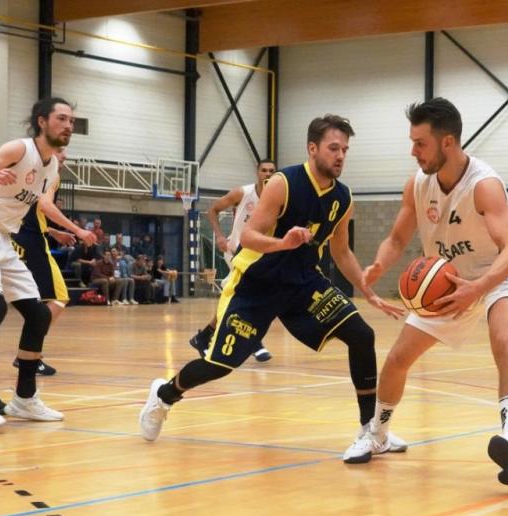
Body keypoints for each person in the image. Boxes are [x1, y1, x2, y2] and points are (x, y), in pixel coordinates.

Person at [139, 115, 407, 458]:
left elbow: (341, 252)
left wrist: (369, 292)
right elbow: (249, 236)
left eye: (345, 150)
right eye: (333, 148)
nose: (340, 155)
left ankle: (371, 431)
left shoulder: (343, 197)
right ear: (313, 148)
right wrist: (284, 243)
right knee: (219, 364)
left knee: (362, 335)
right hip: (256, 284)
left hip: (303, 284)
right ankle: (163, 396)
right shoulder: (284, 183)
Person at [344, 98, 508, 485]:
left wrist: (477, 288)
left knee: (503, 338)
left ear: (447, 142)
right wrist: (379, 264)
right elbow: (397, 238)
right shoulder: (417, 184)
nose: (413, 151)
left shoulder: (484, 185)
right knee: (397, 359)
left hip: (495, 275)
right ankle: (377, 434)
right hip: (445, 283)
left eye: (420, 143)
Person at [0, 96, 95, 431]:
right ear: (42, 121)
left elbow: (43, 204)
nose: (68, 126)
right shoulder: (19, 148)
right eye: (62, 119)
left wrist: (68, 230)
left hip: (4, 237)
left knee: (39, 313)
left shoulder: (52, 166)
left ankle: (25, 398)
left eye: (71, 121)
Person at [189, 159, 277, 363]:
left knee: (237, 298)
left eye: (271, 171)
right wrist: (220, 236)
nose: (267, 174)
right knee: (253, 296)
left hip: (259, 254)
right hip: (237, 251)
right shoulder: (243, 193)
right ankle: (254, 342)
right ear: (257, 172)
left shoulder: (277, 198)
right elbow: (212, 210)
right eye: (264, 170)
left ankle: (204, 337)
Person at [10, 148, 77, 376]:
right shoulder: (51, 174)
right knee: (58, 298)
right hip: (33, 242)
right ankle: (29, 353)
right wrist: (78, 230)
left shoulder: (28, 172)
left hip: (14, 237)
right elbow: (46, 206)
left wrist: (54, 232)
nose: (64, 156)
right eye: (60, 150)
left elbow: (29, 211)